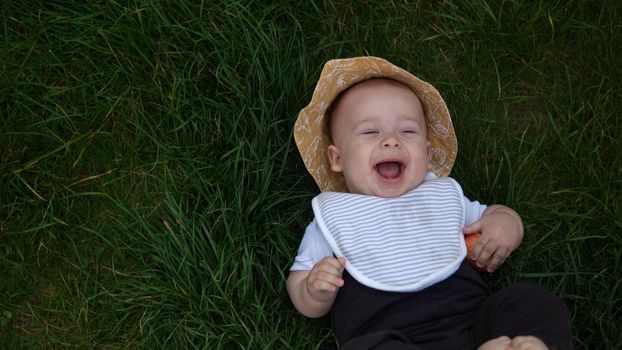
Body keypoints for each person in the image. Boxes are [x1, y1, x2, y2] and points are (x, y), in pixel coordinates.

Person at [287, 57, 572, 349]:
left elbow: (491, 216)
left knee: (526, 301)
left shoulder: (439, 196)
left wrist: (507, 224)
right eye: (371, 132)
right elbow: (301, 292)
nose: (391, 141)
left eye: (407, 131)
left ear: (425, 152)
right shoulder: (335, 218)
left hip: (474, 326)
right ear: (337, 159)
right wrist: (314, 290)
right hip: (387, 332)